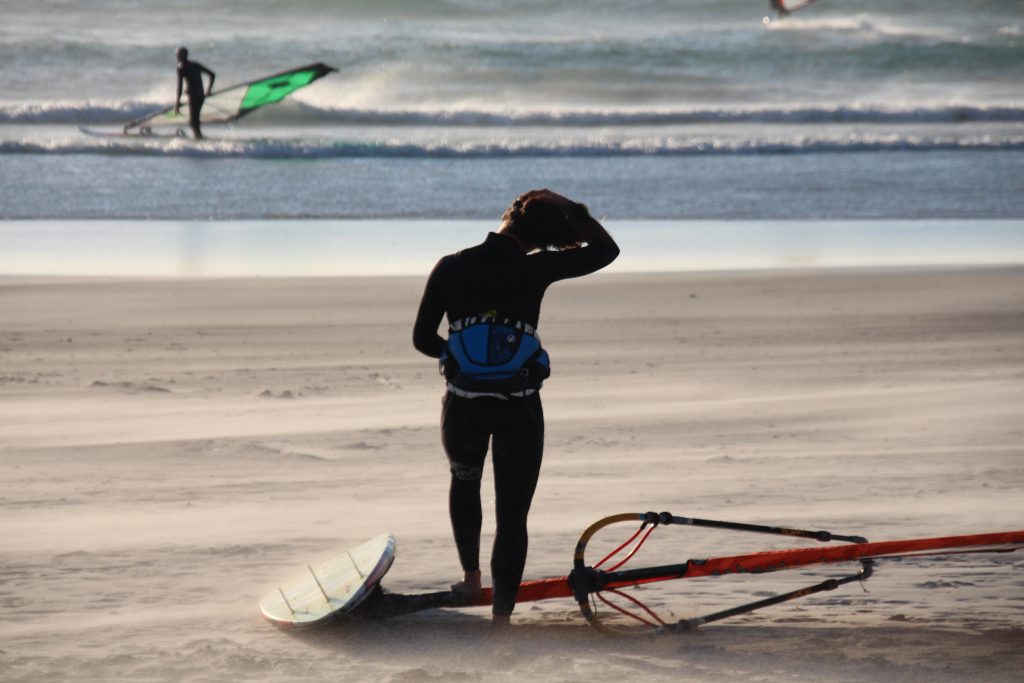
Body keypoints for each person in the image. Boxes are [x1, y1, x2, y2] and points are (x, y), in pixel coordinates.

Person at [412, 189, 619, 627]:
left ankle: (470, 579)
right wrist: (570, 206)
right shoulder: (536, 267)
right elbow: (607, 249)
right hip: (518, 407)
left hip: (464, 407)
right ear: (544, 238)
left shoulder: (451, 265)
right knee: (512, 514)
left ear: (508, 216)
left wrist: (458, 356)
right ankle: (501, 621)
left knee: (465, 483)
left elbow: (422, 339)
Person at [174, 47, 215, 139]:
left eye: (178, 55)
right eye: (177, 55)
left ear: (183, 55)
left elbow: (179, 87)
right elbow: (212, 75)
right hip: (201, 96)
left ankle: (199, 138)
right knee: (195, 119)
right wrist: (208, 91)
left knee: (193, 121)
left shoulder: (181, 67)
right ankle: (198, 137)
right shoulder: (195, 64)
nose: (177, 57)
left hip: (194, 96)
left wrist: (177, 103)